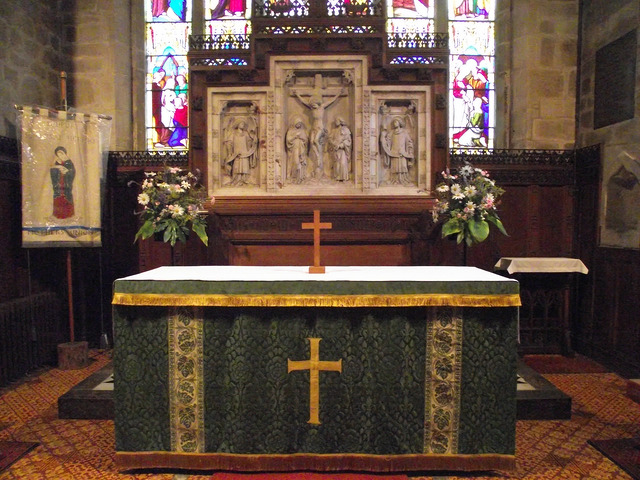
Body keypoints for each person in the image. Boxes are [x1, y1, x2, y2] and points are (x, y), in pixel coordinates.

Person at [292, 85, 344, 177]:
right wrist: (297, 95)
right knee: (312, 142)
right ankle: (316, 157)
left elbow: (331, 101)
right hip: (313, 128)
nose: (313, 105)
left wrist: (338, 94)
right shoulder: (312, 108)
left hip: (320, 128)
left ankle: (319, 161)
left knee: (316, 141)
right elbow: (304, 102)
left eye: (314, 104)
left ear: (317, 103)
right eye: (312, 104)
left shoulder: (322, 107)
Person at [380, 117, 414, 185]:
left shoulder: (404, 132)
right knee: (394, 167)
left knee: (403, 166)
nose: (395, 123)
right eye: (394, 122)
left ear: (399, 123)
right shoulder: (391, 132)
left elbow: (409, 141)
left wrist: (409, 152)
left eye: (396, 122)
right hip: (394, 152)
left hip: (402, 153)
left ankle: (404, 180)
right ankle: (394, 180)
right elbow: (387, 141)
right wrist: (383, 137)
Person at [223, 119, 257, 185]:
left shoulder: (246, 133)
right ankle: (236, 180)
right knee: (237, 167)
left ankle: (244, 180)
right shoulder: (233, 133)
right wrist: (230, 152)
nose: (242, 125)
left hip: (245, 153)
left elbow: (249, 142)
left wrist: (254, 140)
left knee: (245, 166)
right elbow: (229, 142)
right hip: (236, 153)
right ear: (238, 125)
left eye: (243, 124)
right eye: (241, 124)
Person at [50, 146, 76, 219]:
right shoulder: (57, 162)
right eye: (58, 155)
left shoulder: (69, 162)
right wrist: (57, 167)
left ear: (64, 153)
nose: (60, 156)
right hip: (59, 183)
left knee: (66, 197)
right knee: (58, 197)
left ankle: (68, 214)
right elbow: (52, 170)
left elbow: (72, 172)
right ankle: (57, 214)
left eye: (61, 154)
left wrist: (66, 171)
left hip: (66, 182)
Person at [285, 117, 309, 184]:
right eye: (298, 123)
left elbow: (306, 140)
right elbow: (288, 140)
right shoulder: (290, 131)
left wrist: (301, 138)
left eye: (300, 123)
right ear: (295, 123)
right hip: (294, 150)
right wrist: (295, 136)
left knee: (301, 163)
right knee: (296, 162)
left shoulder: (303, 131)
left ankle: (300, 178)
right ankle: (294, 177)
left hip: (301, 149)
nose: (299, 125)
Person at [328, 117, 352, 182]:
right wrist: (333, 143)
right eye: (335, 120)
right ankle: (337, 178)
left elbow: (348, 140)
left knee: (343, 163)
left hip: (342, 150)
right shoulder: (334, 131)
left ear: (340, 121)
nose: (336, 122)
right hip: (335, 150)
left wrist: (341, 145)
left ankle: (344, 178)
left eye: (337, 120)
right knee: (337, 164)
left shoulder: (346, 130)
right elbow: (330, 138)